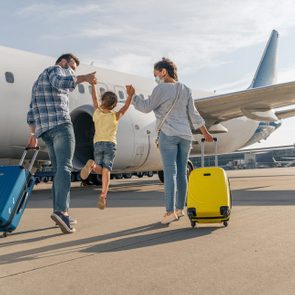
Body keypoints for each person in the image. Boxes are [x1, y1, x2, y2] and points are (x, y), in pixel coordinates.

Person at [131, 57, 214, 225]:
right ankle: (179, 209)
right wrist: (205, 133)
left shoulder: (160, 89)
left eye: (156, 74)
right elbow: (194, 114)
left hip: (168, 135)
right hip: (185, 136)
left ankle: (169, 212)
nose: (155, 77)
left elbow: (146, 107)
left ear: (163, 72)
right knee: (182, 173)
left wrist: (133, 97)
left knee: (170, 173)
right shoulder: (186, 89)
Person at [27, 53, 97, 234]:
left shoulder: (37, 82)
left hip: (45, 131)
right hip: (60, 125)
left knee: (59, 171)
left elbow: (31, 111)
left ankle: (59, 212)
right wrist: (84, 78)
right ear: (64, 62)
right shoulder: (56, 70)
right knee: (65, 169)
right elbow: (61, 82)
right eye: (72, 67)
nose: (72, 71)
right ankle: (61, 211)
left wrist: (33, 135)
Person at [79, 84, 134, 209]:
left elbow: (94, 97)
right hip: (110, 144)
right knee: (106, 170)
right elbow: (125, 107)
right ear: (114, 105)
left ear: (102, 100)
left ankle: (92, 165)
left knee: (99, 168)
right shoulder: (115, 116)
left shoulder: (97, 112)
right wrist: (130, 95)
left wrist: (93, 85)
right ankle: (103, 195)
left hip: (98, 144)